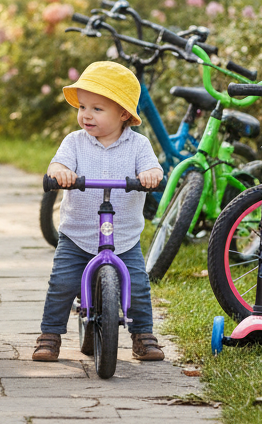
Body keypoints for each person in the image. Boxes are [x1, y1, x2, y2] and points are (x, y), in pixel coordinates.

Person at [32, 60, 165, 363]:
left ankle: (143, 335)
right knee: (62, 285)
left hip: (124, 238)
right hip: (77, 234)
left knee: (139, 287)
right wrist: (60, 173)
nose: (86, 115)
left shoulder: (139, 145)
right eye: (82, 107)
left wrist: (150, 176)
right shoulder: (75, 142)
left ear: (123, 114)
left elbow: (152, 168)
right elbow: (58, 164)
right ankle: (50, 334)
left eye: (97, 109)